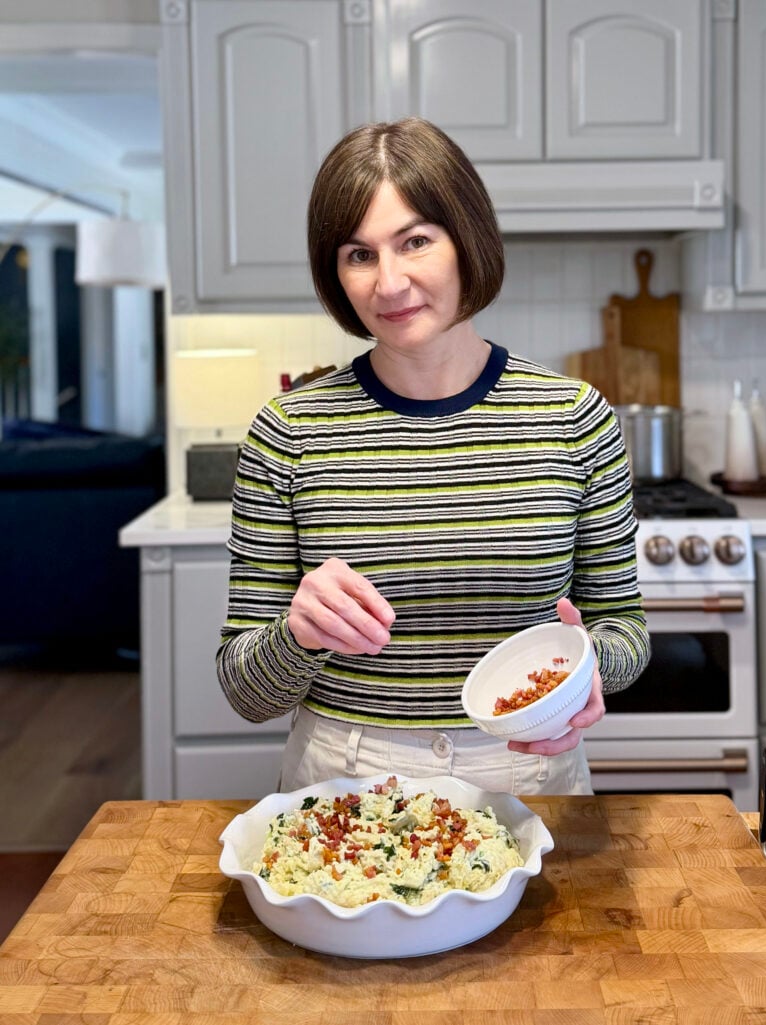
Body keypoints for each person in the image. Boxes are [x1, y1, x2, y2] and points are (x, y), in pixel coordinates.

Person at [216, 117, 650, 796]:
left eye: (414, 241)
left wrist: (588, 667)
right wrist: (296, 634)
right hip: (343, 781)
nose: (388, 283)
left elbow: (622, 626)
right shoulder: (288, 431)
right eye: (358, 254)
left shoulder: (574, 417)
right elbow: (246, 689)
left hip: (528, 772)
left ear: (466, 241)